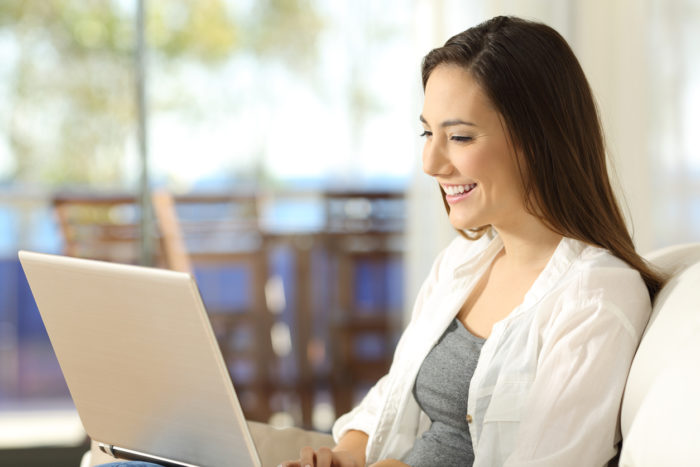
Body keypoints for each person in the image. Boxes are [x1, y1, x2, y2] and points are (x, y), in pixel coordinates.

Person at [281, 15, 664, 467]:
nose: (430, 162)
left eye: (459, 136)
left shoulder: (596, 296)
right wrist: (344, 456)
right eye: (428, 132)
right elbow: (393, 395)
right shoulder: (461, 262)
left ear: (539, 140)